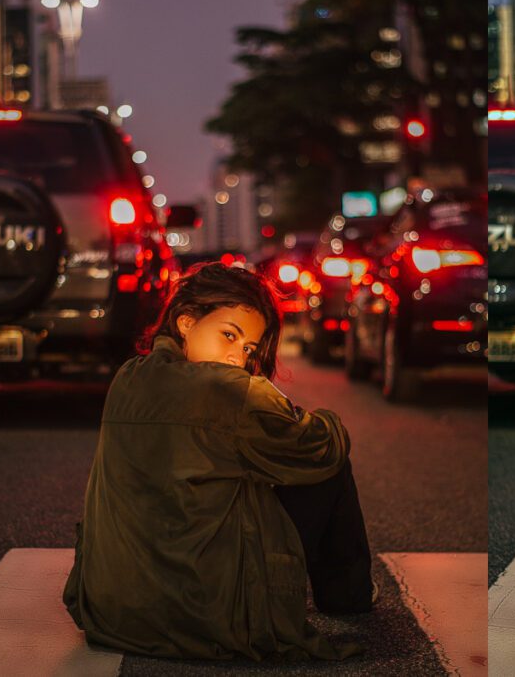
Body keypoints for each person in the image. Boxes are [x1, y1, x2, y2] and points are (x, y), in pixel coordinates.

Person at [63, 262, 374, 661]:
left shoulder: (128, 375)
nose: (237, 358)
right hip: (211, 617)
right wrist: (309, 415)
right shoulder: (229, 389)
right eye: (229, 335)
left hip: (112, 613)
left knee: (252, 464)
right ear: (187, 322)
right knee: (328, 462)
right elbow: (325, 446)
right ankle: (348, 598)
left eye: (248, 349)